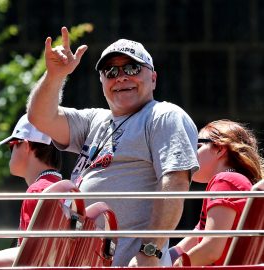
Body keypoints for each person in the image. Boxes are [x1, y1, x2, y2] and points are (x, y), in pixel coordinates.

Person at [26, 26, 199, 267]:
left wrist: (150, 251)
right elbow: (40, 118)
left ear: (153, 78)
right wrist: (55, 75)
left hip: (125, 263)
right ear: (102, 82)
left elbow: (176, 183)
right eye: (111, 71)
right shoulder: (95, 120)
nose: (121, 77)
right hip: (82, 257)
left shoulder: (163, 115)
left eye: (132, 68)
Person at [170, 119, 264, 266]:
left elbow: (210, 250)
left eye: (198, 146)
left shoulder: (225, 180)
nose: (190, 154)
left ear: (219, 149)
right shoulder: (234, 181)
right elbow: (190, 242)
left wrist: (177, 266)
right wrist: (153, 255)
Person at [0, 114, 62, 267]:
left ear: (26, 145)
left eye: (12, 145)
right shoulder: (58, 187)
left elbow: (32, 255)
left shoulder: (39, 191)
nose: (9, 152)